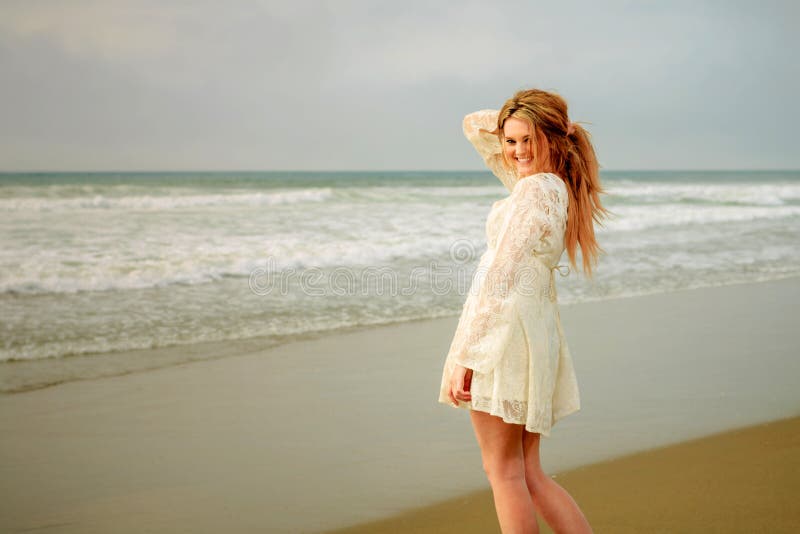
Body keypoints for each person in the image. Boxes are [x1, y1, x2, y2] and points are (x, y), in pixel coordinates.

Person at [438, 88, 608, 533]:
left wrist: (467, 356)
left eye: (528, 140)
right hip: (533, 331)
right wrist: (525, 118)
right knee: (527, 473)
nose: (516, 151)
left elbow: (500, 274)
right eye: (510, 141)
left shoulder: (533, 190)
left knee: (504, 473)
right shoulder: (554, 186)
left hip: (504, 335)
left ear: (551, 137)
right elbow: (474, 125)